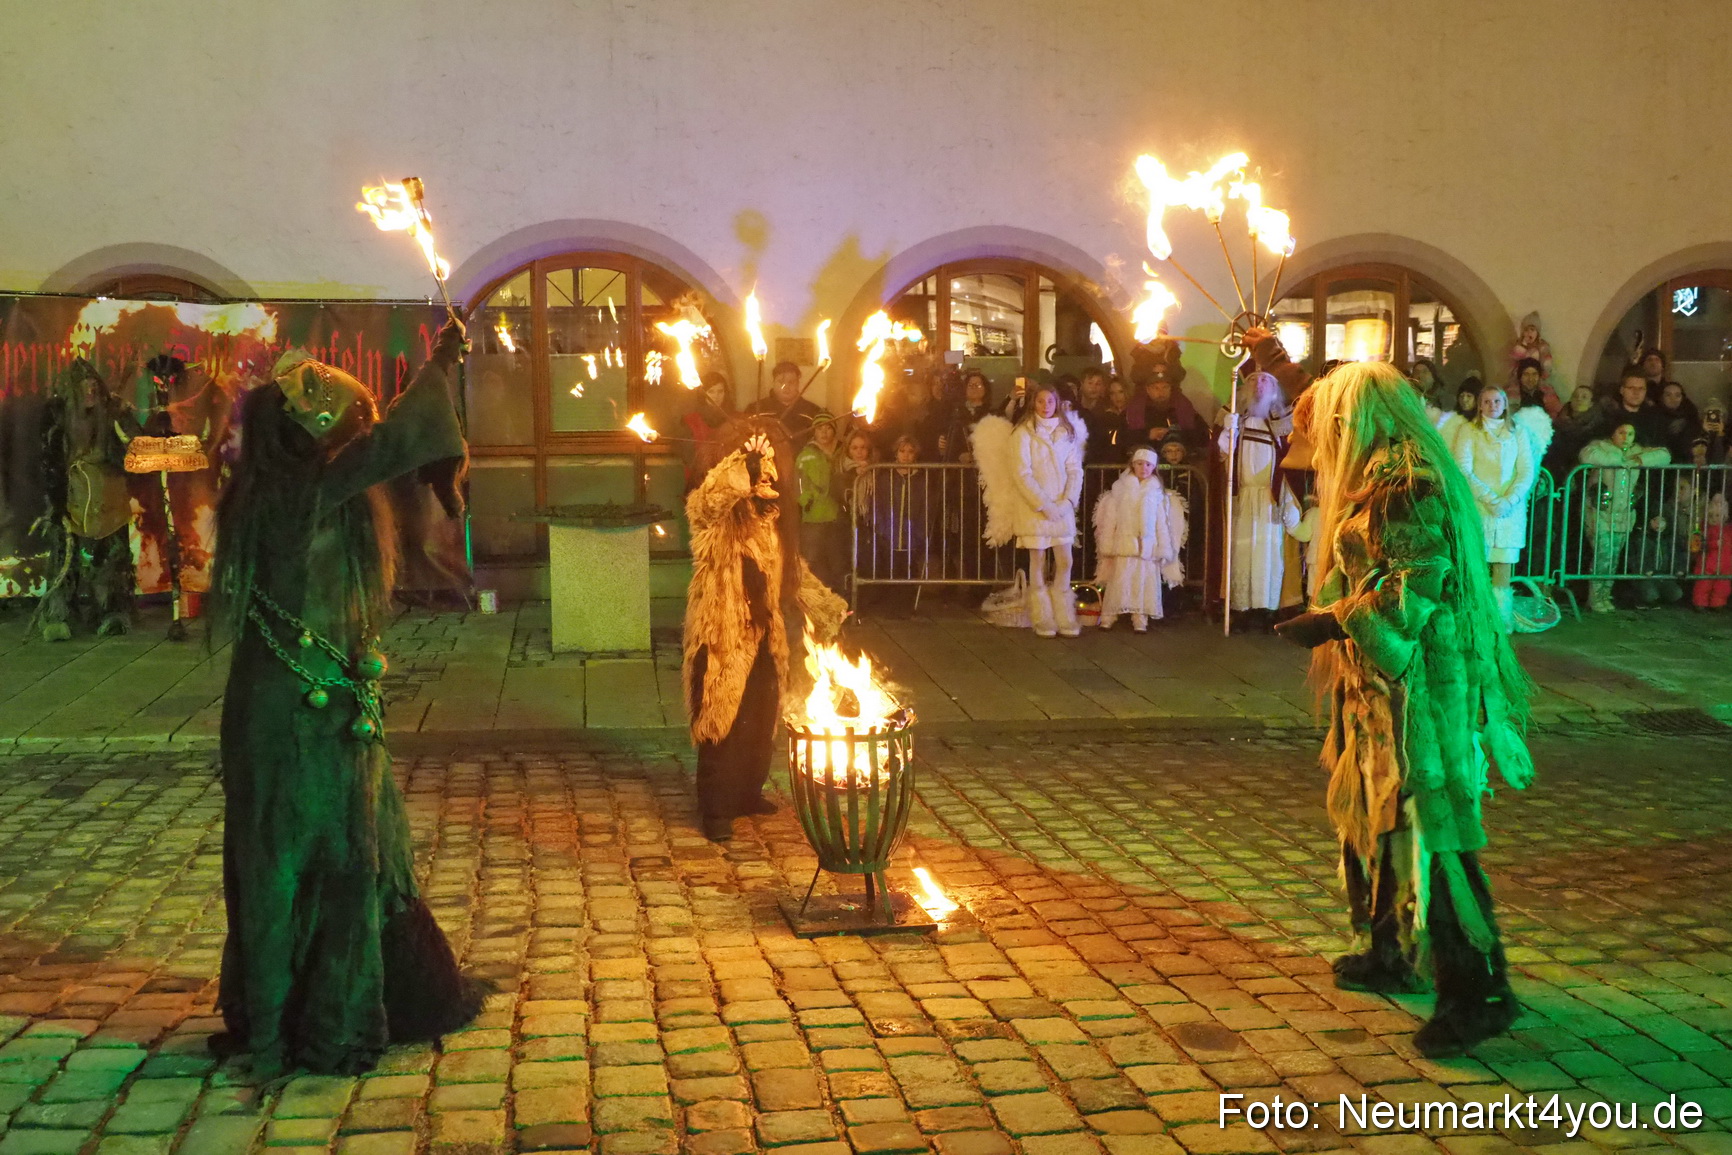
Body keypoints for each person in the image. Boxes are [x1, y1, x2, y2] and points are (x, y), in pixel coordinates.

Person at [210, 320, 481, 1078]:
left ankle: (296, 1009)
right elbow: (392, 442)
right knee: (298, 859)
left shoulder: (288, 487)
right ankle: (308, 1022)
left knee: (310, 857)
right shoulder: (296, 494)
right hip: (295, 716)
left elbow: (378, 446)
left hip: (311, 701)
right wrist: (443, 365)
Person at [1274, 361, 1533, 1059]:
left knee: (1438, 829)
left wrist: (1334, 619)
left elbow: (1410, 600)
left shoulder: (1409, 486)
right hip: (1383, 695)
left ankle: (1478, 989)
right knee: (1382, 814)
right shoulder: (1383, 473)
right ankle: (1389, 947)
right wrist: (1274, 360)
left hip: (1426, 691)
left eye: (1330, 429)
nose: (1323, 446)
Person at [683, 422, 847, 842]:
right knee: (721, 719)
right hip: (722, 634)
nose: (768, 476)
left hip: (762, 634)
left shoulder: (770, 521)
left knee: (760, 715)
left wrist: (831, 609)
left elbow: (792, 575)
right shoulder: (717, 521)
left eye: (771, 468)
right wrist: (743, 463)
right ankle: (716, 807)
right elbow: (709, 501)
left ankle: (746, 793)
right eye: (761, 469)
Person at [32, 359, 134, 641]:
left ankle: (112, 612)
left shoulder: (111, 413)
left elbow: (134, 448)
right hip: (72, 491)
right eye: (82, 385)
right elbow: (49, 460)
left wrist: (126, 419)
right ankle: (57, 614)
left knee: (112, 556)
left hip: (108, 492)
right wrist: (57, 501)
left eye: (93, 384)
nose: (89, 389)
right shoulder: (57, 415)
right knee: (65, 554)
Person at [972, 385, 1086, 637]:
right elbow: (1022, 473)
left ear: (1057, 403)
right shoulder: (1022, 434)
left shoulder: (1066, 433)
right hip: (1035, 510)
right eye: (1041, 401)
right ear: (1034, 404)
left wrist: (1067, 502)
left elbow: (1075, 470)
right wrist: (1044, 505)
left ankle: (1064, 613)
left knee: (1065, 560)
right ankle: (1042, 616)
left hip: (1062, 507)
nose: (1046, 406)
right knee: (1039, 560)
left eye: (1050, 401)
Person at [1454, 385, 1541, 630]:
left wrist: (1509, 500)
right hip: (1479, 508)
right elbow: (1464, 469)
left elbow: (1526, 470)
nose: (1493, 406)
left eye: (1497, 401)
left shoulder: (1518, 432)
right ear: (1480, 405)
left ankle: (1501, 618)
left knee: (1503, 565)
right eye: (1487, 401)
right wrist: (1491, 499)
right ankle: (1476, 619)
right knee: (1477, 563)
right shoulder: (1468, 431)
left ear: (1505, 404)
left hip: (1510, 512)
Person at [1218, 372, 1297, 626]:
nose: (1259, 385)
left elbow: (1289, 459)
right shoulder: (1236, 418)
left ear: (1275, 388)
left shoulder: (1283, 422)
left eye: (1265, 380)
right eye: (1253, 379)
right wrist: (1226, 433)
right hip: (1243, 496)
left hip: (1268, 497)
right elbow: (1221, 456)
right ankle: (1240, 608)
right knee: (1241, 550)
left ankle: (1267, 608)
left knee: (1268, 552)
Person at [1092, 446, 1186, 631]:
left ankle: (1140, 618)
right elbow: (1111, 520)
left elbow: (1162, 523)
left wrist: (1164, 547)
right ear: (1133, 465)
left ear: (1154, 467)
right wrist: (1107, 543)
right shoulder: (1119, 491)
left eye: (1148, 465)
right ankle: (1109, 615)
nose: (1144, 468)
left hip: (1147, 547)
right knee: (1120, 579)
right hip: (1124, 544)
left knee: (1143, 582)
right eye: (1140, 464)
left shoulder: (1157, 494)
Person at [1579, 424, 1670, 612]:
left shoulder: (1637, 451)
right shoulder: (1601, 447)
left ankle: (1605, 595)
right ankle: (1595, 597)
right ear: (1613, 433)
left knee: (1614, 558)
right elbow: (1586, 454)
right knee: (1602, 556)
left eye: (1630, 433)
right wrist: (1616, 460)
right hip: (1600, 513)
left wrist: (1639, 460)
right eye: (1621, 432)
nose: (1625, 437)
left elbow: (1664, 456)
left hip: (1623, 515)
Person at [796, 415, 846, 591]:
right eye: (819, 428)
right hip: (814, 515)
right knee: (811, 559)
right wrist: (805, 501)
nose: (824, 432)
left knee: (838, 560)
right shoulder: (806, 455)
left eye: (828, 428)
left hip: (837, 515)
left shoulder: (843, 451)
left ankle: (840, 600)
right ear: (814, 432)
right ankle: (811, 599)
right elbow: (799, 481)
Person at [745, 361, 826, 445]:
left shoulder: (813, 412)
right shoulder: (756, 409)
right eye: (781, 381)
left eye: (791, 382)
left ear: (798, 384)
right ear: (773, 382)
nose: (786, 386)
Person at [1124, 368, 1204, 449]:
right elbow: (1122, 438)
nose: (1161, 392)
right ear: (1148, 390)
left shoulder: (1184, 407)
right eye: (1156, 388)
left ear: (1170, 389)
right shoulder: (1135, 409)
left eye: (1165, 387)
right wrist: (1147, 435)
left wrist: (1173, 434)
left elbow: (1202, 436)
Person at [682, 372, 736, 488]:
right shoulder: (690, 422)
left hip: (731, 483)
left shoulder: (735, 420)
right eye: (711, 391)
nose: (716, 396)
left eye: (720, 391)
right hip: (700, 483)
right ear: (703, 393)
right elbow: (690, 458)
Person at [1603, 368, 1668, 449]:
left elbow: (1661, 448)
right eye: (1631, 388)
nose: (1636, 392)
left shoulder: (1655, 418)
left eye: (1641, 389)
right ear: (1622, 390)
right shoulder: (1607, 416)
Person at [1076, 366, 1124, 463]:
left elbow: (1113, 441)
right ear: (1081, 384)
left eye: (1098, 384)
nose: (1094, 388)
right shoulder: (1073, 409)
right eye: (1090, 383)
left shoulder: (1108, 412)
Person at [1693, 493, 1731, 610]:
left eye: (1717, 516)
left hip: (1725, 564)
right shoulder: (1704, 527)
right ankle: (1700, 603)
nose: (1714, 518)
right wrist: (1713, 544)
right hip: (1707, 562)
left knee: (1722, 586)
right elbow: (1701, 542)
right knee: (1703, 584)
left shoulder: (1728, 529)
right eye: (1711, 516)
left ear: (1724, 516)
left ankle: (1718, 604)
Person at [1656, 380, 1701, 463]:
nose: (1673, 399)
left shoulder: (1691, 418)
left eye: (1677, 395)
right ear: (1661, 397)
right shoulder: (1653, 417)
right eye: (1668, 395)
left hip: (1685, 467)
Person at [1510, 312, 1553, 385]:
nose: (1529, 333)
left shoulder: (1543, 347)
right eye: (1526, 330)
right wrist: (1523, 347)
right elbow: (1512, 366)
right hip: (1520, 383)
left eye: (1532, 330)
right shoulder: (1518, 345)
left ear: (1537, 332)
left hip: (1538, 382)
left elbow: (1547, 368)